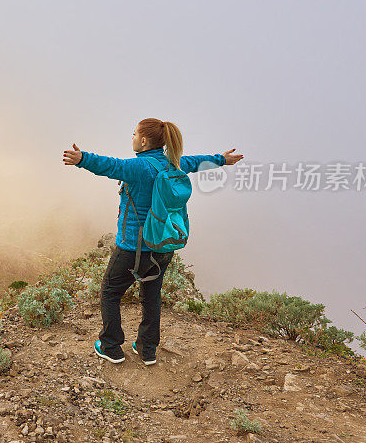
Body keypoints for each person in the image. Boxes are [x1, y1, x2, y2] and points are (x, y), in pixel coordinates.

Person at [62, 118, 243, 365]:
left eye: (134, 133)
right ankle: (147, 350)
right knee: (151, 295)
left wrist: (82, 159)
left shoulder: (140, 167)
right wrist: (222, 159)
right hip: (162, 246)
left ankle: (111, 347)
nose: (133, 137)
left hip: (132, 247)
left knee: (110, 292)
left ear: (144, 141)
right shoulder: (174, 163)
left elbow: (110, 166)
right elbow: (196, 162)